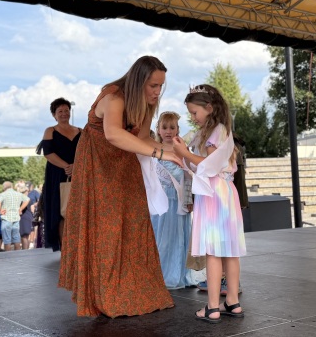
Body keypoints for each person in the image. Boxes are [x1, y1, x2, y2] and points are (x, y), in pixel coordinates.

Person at [58, 55, 180, 317]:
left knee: (135, 224)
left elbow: (143, 138)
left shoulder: (147, 103)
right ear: (139, 81)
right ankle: (108, 295)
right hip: (98, 168)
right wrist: (161, 153)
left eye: (161, 86)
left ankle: (135, 291)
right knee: (107, 230)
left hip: (125, 165)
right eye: (153, 85)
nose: (158, 91)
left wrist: (178, 153)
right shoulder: (114, 96)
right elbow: (113, 133)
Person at [173, 84, 246, 323]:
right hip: (224, 191)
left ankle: (213, 306)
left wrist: (184, 153)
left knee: (213, 250)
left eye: (195, 112)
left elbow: (209, 164)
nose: (193, 118)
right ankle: (232, 301)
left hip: (213, 191)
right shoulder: (218, 130)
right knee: (229, 250)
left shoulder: (216, 131)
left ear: (209, 108)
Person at [150, 111, 194, 290]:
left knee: (178, 237)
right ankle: (158, 274)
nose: (168, 131)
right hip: (160, 201)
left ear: (177, 129)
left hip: (177, 200)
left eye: (172, 127)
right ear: (158, 129)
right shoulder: (153, 148)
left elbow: (188, 175)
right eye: (165, 127)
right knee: (160, 238)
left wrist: (189, 198)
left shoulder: (181, 149)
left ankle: (178, 273)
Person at [38, 98, 81, 252]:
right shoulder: (50, 131)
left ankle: (78, 249)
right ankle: (65, 250)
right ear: (54, 115)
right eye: (60, 111)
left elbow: (86, 153)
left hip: (79, 174)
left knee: (78, 213)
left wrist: (76, 167)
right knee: (61, 212)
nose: (64, 113)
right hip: (57, 175)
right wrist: (67, 167)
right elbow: (48, 153)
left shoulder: (81, 131)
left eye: (66, 110)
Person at [0, 181, 29, 252]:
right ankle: (17, 255)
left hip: (6, 218)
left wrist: (0, 210)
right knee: (16, 238)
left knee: (7, 239)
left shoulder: (3, 194)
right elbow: (27, 199)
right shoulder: (18, 194)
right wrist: (21, 209)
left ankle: (8, 255)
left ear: (4, 187)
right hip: (16, 218)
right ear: (11, 186)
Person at [19, 185, 36, 250]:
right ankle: (26, 250)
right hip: (29, 217)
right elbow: (32, 209)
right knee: (26, 236)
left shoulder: (21, 199)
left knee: (24, 236)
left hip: (23, 217)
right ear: (25, 191)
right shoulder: (29, 199)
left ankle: (25, 250)